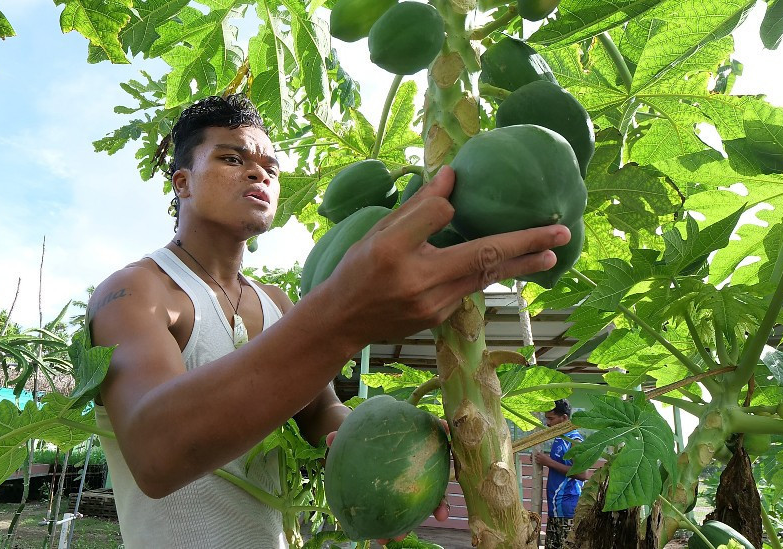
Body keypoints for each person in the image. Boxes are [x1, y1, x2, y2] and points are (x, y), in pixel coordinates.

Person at [87, 94, 571, 548]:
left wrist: (381, 443)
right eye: (232, 159)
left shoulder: (275, 301)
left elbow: (320, 413)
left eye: (269, 168)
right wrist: (343, 315)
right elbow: (157, 450)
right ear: (182, 182)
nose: (258, 174)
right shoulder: (133, 291)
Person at [534, 399, 592, 549]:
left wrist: (548, 462)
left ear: (564, 418)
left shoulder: (575, 440)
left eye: (551, 418)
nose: (547, 423)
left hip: (568, 511)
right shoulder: (560, 438)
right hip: (556, 510)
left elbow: (583, 474)